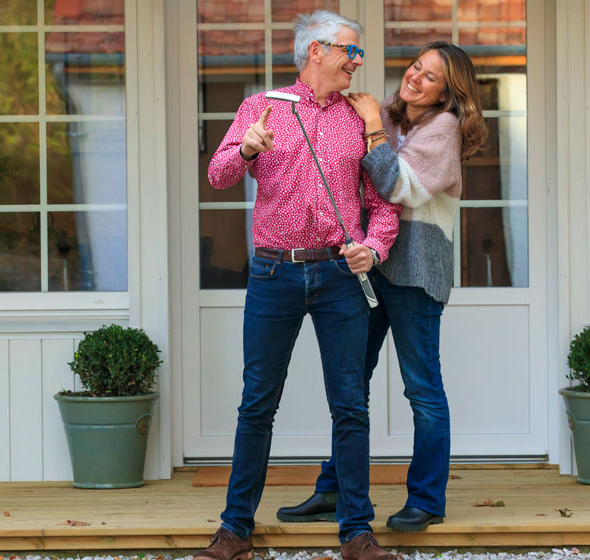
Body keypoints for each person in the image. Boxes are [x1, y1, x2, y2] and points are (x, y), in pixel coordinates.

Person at [194, 10, 403, 560]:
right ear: (317, 50)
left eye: (358, 54)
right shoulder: (261, 108)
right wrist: (245, 149)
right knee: (257, 404)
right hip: (272, 273)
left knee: (350, 406)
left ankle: (356, 532)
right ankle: (235, 530)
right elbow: (217, 176)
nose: (356, 63)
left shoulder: (359, 117)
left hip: (338, 275)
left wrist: (373, 248)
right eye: (350, 52)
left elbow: (383, 205)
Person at [276, 41, 489, 532]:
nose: (416, 77)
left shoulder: (443, 128)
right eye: (417, 66)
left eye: (431, 77)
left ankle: (428, 499)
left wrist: (371, 122)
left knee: (422, 390)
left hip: (415, 274)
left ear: (446, 93)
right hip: (368, 269)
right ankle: (334, 490)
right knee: (351, 388)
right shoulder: (391, 119)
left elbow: (396, 186)